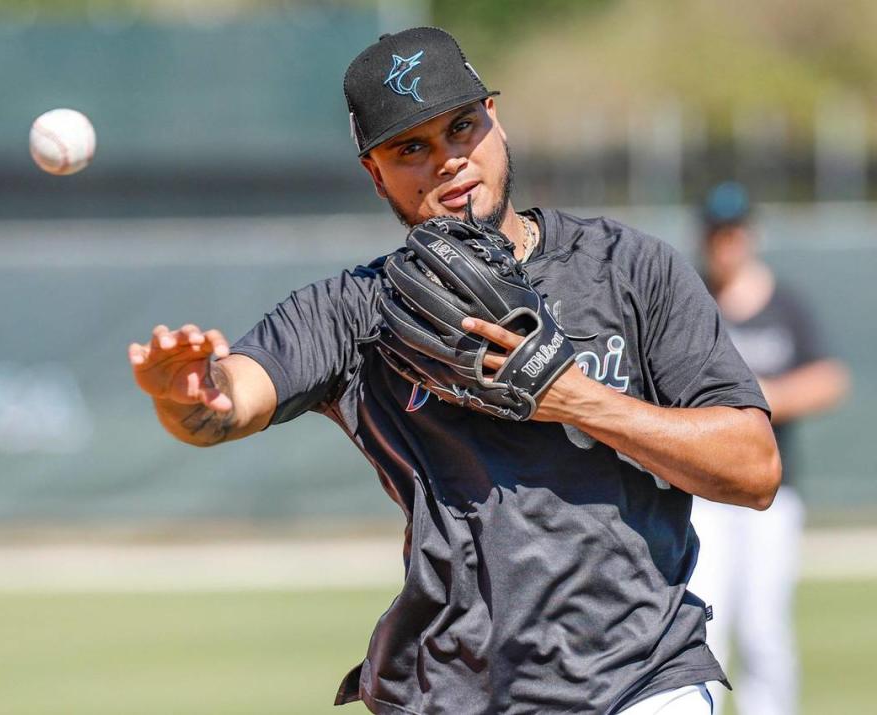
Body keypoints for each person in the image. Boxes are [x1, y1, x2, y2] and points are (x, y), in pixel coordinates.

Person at [127, 28, 780, 715]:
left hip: (641, 680)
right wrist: (188, 395)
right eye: (411, 147)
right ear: (375, 173)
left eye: (461, 127)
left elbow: (754, 469)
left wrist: (580, 400)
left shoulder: (628, 267)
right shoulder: (358, 311)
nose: (449, 161)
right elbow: (231, 401)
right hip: (456, 691)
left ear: (495, 120)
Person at [689, 183, 849, 715]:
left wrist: (758, 400)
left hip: (769, 492)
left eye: (734, 233)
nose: (726, 244)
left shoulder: (786, 306)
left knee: (763, 629)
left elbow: (830, 378)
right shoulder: (692, 302)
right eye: (717, 234)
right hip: (703, 493)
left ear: (749, 236)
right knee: (705, 625)